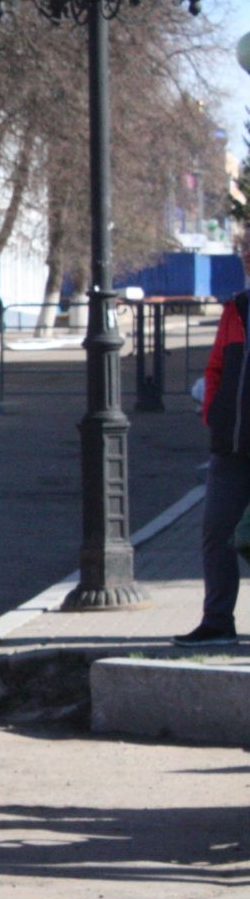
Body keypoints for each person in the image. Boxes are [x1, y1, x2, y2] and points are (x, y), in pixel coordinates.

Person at [181, 229, 250, 647]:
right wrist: (216, 417)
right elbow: (215, 370)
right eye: (246, 250)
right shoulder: (236, 309)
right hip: (232, 447)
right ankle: (217, 621)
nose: (248, 257)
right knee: (217, 531)